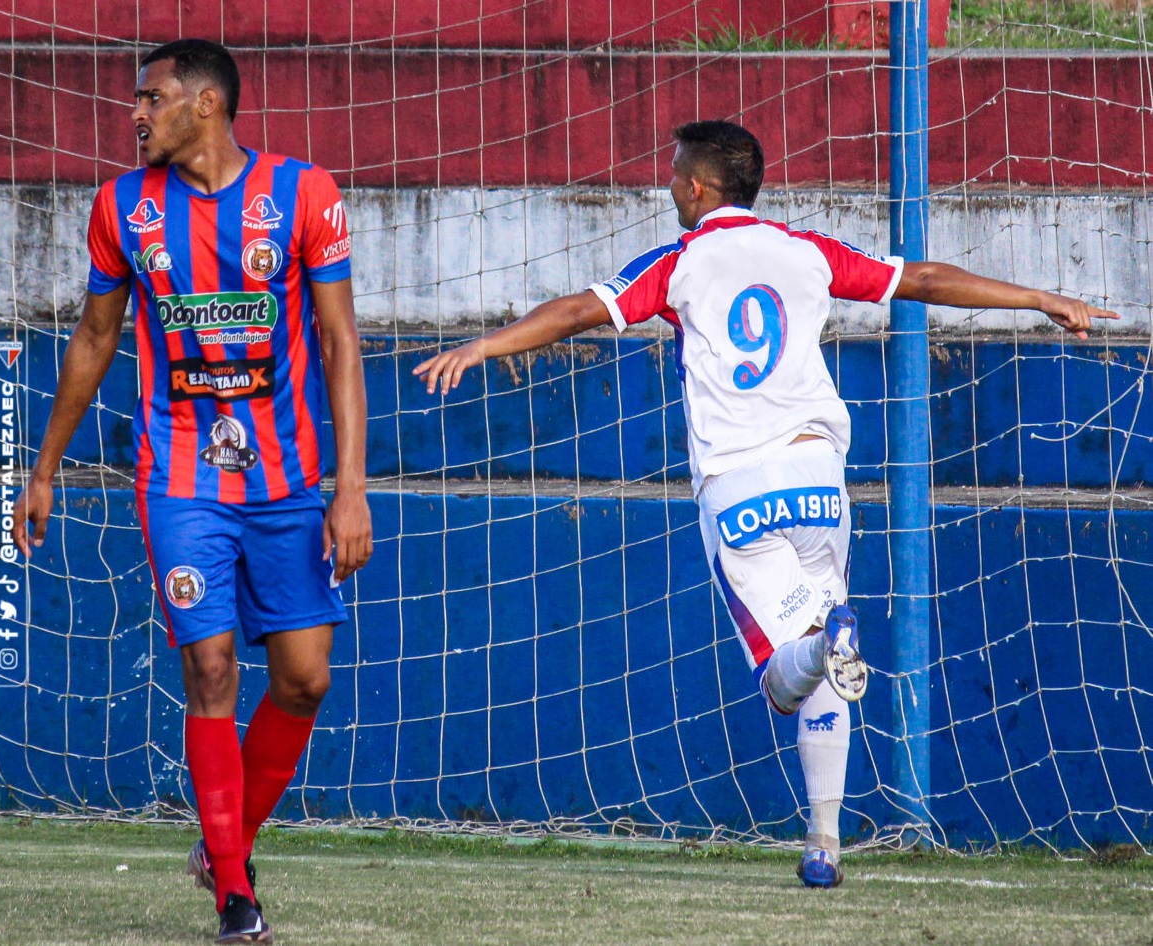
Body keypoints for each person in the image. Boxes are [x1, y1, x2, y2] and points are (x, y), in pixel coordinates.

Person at [413, 119, 1116, 887]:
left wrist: (487, 344)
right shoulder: (805, 250)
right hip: (821, 483)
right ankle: (823, 842)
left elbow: (582, 311)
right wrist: (1039, 297)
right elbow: (920, 279)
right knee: (826, 652)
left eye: (674, 173)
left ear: (696, 187)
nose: (668, 185)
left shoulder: (681, 261)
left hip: (740, 489)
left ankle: (824, 648)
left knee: (790, 677)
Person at [13, 39, 372, 943]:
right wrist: (45, 468)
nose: (136, 115)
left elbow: (339, 345)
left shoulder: (304, 194)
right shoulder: (121, 207)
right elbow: (96, 340)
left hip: (287, 482)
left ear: (205, 104)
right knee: (210, 669)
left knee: (304, 680)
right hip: (181, 482)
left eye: (151, 98)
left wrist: (351, 488)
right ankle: (235, 900)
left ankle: (225, 842)